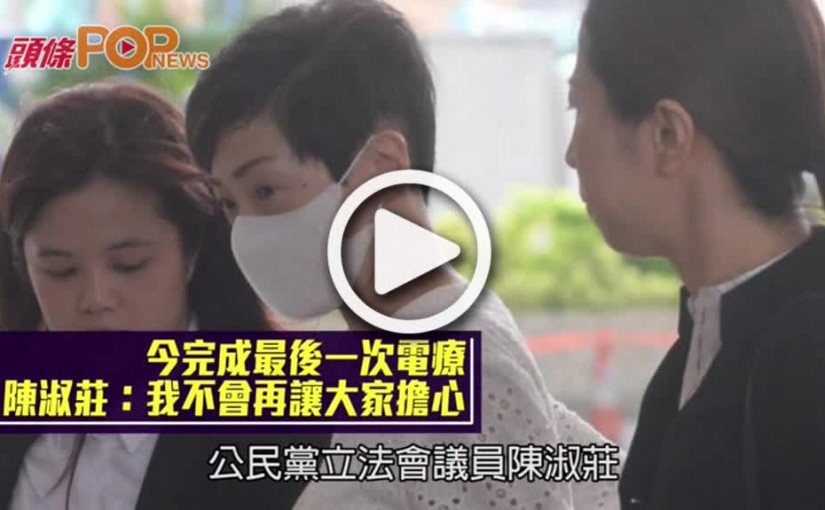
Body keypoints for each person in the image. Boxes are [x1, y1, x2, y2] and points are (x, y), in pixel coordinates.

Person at [185, 1, 621, 508]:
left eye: (265, 190)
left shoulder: (464, 366)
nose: (244, 231)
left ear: (383, 166)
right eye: (228, 202)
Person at [0, 80, 328, 509]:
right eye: (61, 271)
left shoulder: (285, 427)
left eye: (129, 264)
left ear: (190, 251)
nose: (96, 299)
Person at [565, 0, 825, 508]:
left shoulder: (805, 361)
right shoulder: (705, 342)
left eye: (579, 106)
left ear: (668, 135)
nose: (572, 154)